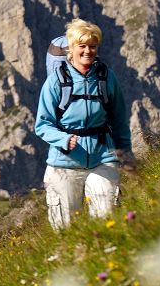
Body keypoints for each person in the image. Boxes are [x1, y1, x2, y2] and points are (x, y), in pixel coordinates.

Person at [34, 19, 133, 230]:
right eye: (82, 46)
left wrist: (127, 155)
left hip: (103, 159)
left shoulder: (107, 78)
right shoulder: (55, 82)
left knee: (107, 222)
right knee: (65, 230)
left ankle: (106, 259)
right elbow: (42, 124)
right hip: (64, 163)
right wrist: (63, 139)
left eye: (93, 46)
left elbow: (119, 121)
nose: (88, 51)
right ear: (71, 48)